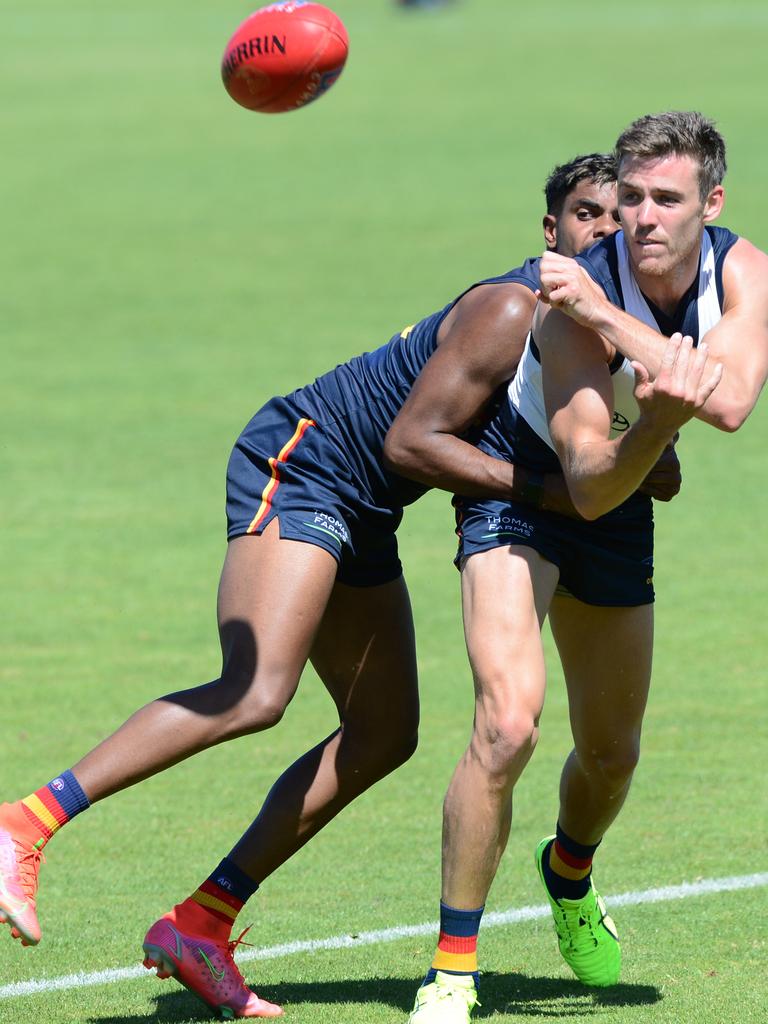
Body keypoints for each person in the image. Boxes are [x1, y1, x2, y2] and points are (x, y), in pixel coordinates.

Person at [0, 154, 652, 1020]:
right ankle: (25, 824)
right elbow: (410, 445)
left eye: (620, 216)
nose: (604, 230)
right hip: (305, 463)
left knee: (385, 733)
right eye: (586, 214)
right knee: (255, 689)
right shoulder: (511, 306)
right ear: (551, 232)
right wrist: (554, 493)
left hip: (365, 510)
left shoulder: (610, 329)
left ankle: (204, 921)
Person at [394, 111, 768, 1023]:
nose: (639, 217)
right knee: (508, 726)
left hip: (618, 499)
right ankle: (452, 972)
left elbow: (731, 404)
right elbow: (589, 487)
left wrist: (628, 349)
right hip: (527, 490)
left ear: (710, 205)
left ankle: (568, 873)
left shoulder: (741, 270)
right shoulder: (567, 311)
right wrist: (651, 399)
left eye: (666, 199)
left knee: (609, 756)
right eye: (629, 197)